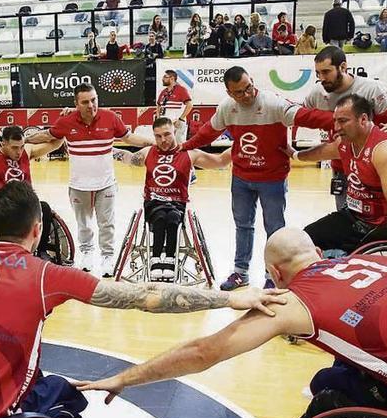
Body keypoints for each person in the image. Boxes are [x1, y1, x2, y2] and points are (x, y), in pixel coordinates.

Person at [0, 180, 286, 418]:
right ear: (38, 229)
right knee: (66, 398)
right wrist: (232, 297)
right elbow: (145, 297)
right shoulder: (45, 274)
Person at [75, 227, 387, 418]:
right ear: (317, 252)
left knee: (328, 389)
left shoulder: (291, 302)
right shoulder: (385, 262)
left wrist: (125, 377)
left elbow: (204, 350)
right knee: (341, 370)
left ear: (274, 273)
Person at [181, 66, 333, 291]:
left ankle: (272, 275)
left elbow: (307, 117)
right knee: (243, 226)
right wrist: (183, 147)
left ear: (252, 80)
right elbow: (207, 133)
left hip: (272, 179)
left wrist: (340, 120)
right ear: (229, 93)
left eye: (249, 87)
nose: (247, 94)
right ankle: (240, 272)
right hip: (241, 178)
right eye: (240, 92)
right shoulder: (227, 108)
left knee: (275, 230)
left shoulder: (273, 103)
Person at [26, 83, 155, 276]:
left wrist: (154, 142)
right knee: (84, 224)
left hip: (106, 185)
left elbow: (129, 138)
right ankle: (86, 253)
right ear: (76, 103)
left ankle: (107, 257)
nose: (91, 105)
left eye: (94, 100)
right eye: (85, 102)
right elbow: (46, 135)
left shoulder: (111, 118)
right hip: (79, 186)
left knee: (107, 224)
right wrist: (21, 140)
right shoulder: (67, 121)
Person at [295, 95, 387, 256]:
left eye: (343, 121)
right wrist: (295, 155)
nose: (336, 127)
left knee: (356, 261)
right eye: (335, 121)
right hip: (355, 215)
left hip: (384, 222)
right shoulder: (345, 142)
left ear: (363, 119)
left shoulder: (386, 149)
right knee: (304, 240)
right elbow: (322, 151)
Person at [113, 117, 232, 279]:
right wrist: (106, 150)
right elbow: (129, 158)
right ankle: (155, 258)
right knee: (161, 216)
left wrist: (240, 145)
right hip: (153, 202)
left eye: (167, 134)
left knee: (173, 216)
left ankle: (169, 258)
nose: (163, 140)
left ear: (175, 132)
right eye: (158, 136)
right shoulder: (149, 152)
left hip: (177, 203)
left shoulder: (190, 153)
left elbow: (220, 161)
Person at [304, 46, 387, 211]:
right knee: (345, 219)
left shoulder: (372, 89)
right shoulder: (317, 93)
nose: (321, 78)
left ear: (343, 67)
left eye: (326, 72)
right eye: (318, 73)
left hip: (371, 168)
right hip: (341, 168)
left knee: (374, 220)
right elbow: (300, 116)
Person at [0, 126, 65, 259]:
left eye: (21, 146)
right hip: (3, 207)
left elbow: (56, 144)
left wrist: (62, 127)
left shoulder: (26, 151)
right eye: (14, 147)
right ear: (3, 144)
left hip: (26, 205)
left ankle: (42, 250)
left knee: (44, 207)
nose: (19, 152)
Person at [157, 70, 194, 143]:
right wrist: (158, 119)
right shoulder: (163, 92)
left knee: (179, 146)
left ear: (172, 78)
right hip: (165, 125)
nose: (163, 79)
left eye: (165, 77)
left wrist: (180, 119)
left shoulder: (181, 90)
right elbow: (158, 106)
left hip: (177, 124)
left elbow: (189, 105)